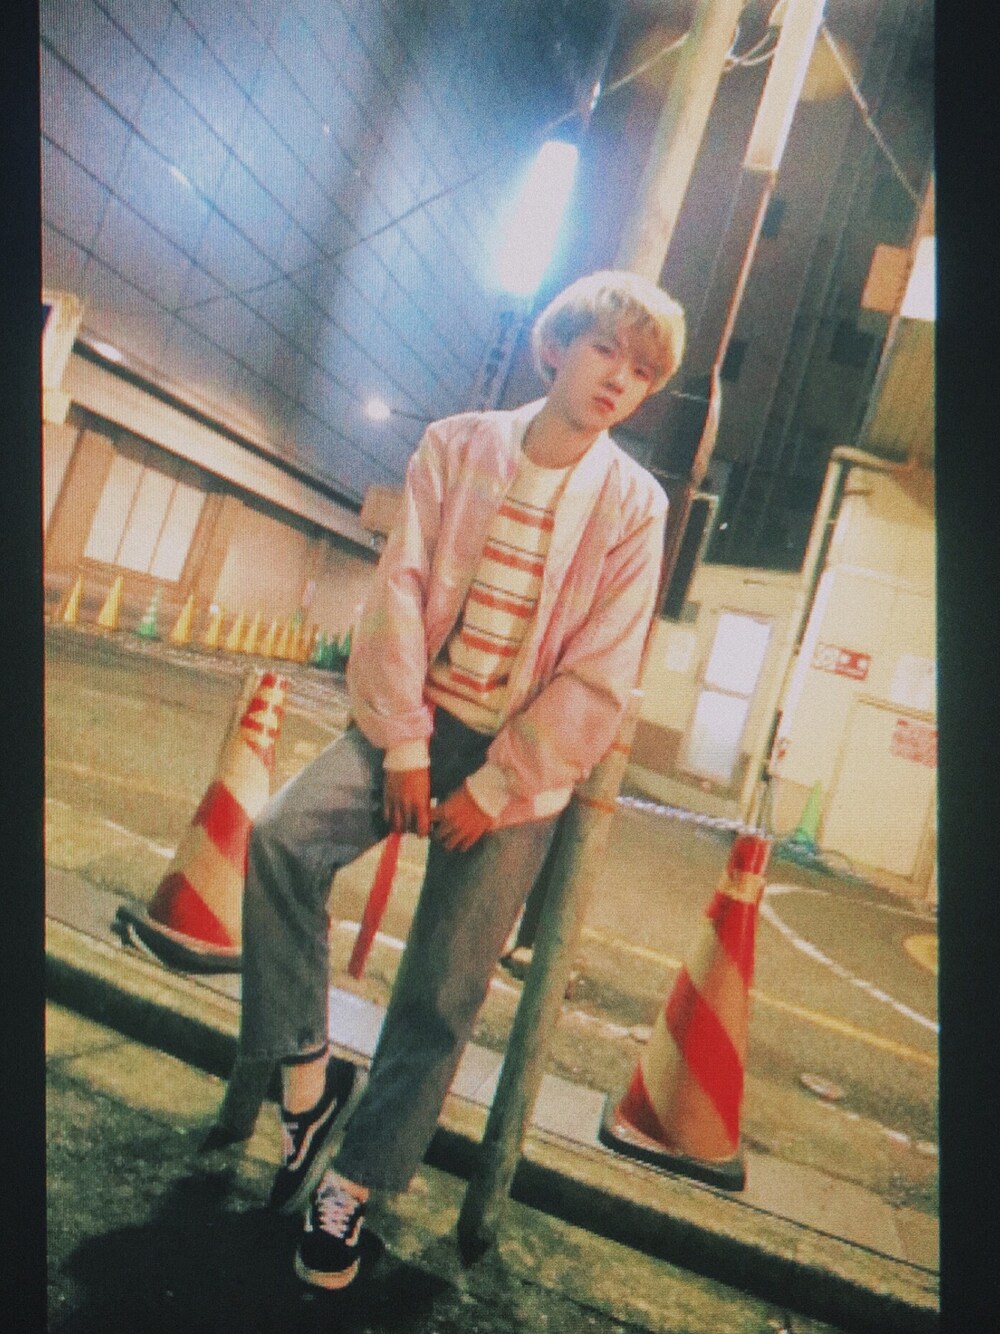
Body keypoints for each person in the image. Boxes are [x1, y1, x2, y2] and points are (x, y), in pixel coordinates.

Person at [233, 269, 686, 1291]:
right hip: (411, 722)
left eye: (643, 372)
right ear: (554, 347)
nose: (620, 378)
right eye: (606, 350)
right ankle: (306, 1080)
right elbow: (396, 590)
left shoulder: (634, 505)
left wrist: (497, 784)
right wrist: (402, 743)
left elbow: (604, 669)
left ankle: (352, 1186)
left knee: (442, 991)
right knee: (280, 839)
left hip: (515, 775)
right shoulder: (458, 443)